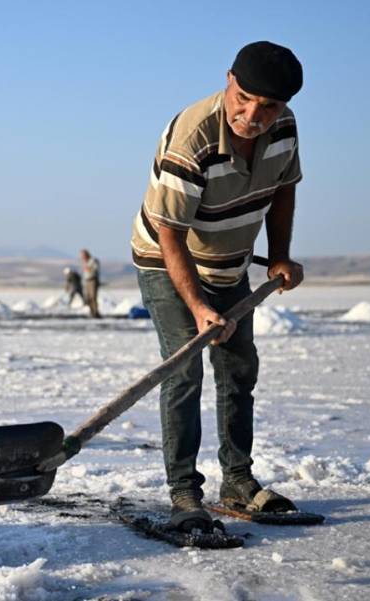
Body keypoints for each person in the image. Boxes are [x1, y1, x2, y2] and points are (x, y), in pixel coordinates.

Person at [129, 41, 306, 532]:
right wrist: (199, 307)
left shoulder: (283, 129)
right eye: (244, 98)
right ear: (229, 79)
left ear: (285, 105)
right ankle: (184, 492)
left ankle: (238, 481)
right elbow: (169, 233)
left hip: (230, 261)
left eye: (268, 106)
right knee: (184, 370)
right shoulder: (194, 138)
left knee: (238, 368)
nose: (253, 115)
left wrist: (282, 255)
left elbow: (284, 187)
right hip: (169, 259)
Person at [80, 249, 101, 318]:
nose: (82, 257)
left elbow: (96, 268)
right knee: (88, 298)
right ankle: (92, 312)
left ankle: (96, 312)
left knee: (93, 297)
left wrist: (88, 268)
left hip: (93, 281)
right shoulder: (85, 262)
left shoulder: (93, 260)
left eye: (83, 255)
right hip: (87, 281)